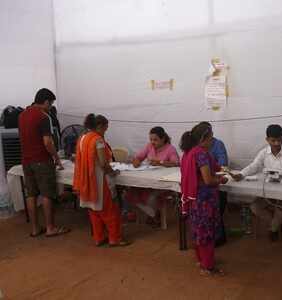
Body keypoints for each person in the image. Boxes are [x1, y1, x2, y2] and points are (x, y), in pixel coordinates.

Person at [232, 124, 282, 241]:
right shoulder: (263, 153)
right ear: (267, 139)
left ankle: (273, 229)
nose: (277, 143)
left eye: (279, 140)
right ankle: (276, 224)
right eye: (273, 140)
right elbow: (254, 166)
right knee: (255, 207)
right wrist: (242, 174)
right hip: (268, 193)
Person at [18, 88, 70, 237]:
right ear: (46, 102)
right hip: (41, 160)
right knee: (47, 194)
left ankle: (35, 229)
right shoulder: (43, 117)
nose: (50, 107)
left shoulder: (22, 115)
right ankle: (50, 228)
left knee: (31, 194)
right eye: (51, 104)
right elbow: (47, 142)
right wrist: (57, 159)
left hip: (26, 161)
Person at [73, 114, 129, 247]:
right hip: (99, 181)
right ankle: (115, 239)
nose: (106, 131)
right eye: (105, 128)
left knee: (93, 210)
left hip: (85, 179)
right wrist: (113, 172)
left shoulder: (82, 138)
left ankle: (99, 238)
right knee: (110, 211)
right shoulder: (97, 140)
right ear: (99, 126)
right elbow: (103, 163)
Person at [180, 122, 228, 276]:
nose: (212, 140)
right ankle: (208, 267)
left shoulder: (189, 152)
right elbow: (208, 180)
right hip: (204, 199)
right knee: (206, 232)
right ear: (204, 138)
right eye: (211, 138)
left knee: (198, 230)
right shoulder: (200, 153)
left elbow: (215, 166)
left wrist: (222, 170)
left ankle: (202, 260)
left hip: (194, 198)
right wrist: (221, 180)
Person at [125, 126, 179, 227]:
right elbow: (139, 157)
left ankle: (153, 215)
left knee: (151, 197)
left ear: (163, 139)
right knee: (130, 192)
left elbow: (175, 163)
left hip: (162, 182)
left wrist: (160, 162)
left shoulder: (170, 149)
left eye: (155, 140)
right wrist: (136, 161)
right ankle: (152, 214)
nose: (152, 142)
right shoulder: (149, 146)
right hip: (149, 179)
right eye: (151, 139)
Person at [198, 121, 228, 247]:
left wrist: (210, 170)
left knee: (216, 205)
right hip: (206, 186)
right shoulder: (198, 151)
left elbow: (223, 164)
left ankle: (216, 237)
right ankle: (211, 238)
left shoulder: (217, 144)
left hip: (212, 185)